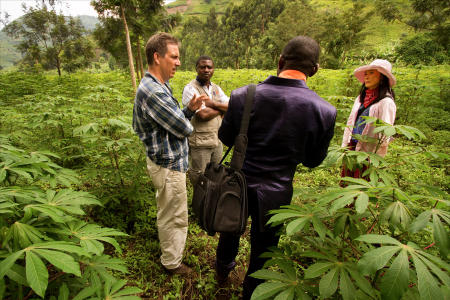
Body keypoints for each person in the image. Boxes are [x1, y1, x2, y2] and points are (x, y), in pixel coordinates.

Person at [211, 36, 337, 299]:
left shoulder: (242, 95)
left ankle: (223, 270)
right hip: (278, 190)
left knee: (230, 229)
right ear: (314, 70)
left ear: (280, 61)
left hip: (239, 184)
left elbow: (225, 138)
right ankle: (252, 292)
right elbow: (313, 161)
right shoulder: (324, 110)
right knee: (265, 247)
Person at [132, 32, 208, 275]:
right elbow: (184, 128)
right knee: (174, 215)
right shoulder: (154, 92)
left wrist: (187, 109)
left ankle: (170, 255)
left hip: (165, 161)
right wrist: (187, 117)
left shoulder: (159, 85)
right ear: (157, 57)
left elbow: (172, 123)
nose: (178, 62)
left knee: (168, 209)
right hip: (168, 165)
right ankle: (172, 263)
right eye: (174, 57)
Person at [341, 59, 397, 178]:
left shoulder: (386, 102)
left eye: (371, 73)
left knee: (362, 181)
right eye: (366, 73)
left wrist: (376, 156)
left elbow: (385, 133)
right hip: (353, 144)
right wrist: (345, 144)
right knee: (348, 181)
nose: (366, 76)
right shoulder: (361, 98)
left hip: (369, 152)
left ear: (382, 77)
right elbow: (351, 121)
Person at [182, 56, 229, 185]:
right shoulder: (190, 88)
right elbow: (202, 114)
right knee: (200, 178)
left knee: (215, 175)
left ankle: (211, 204)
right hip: (200, 143)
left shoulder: (216, 88)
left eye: (209, 67)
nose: (206, 70)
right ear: (196, 69)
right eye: (203, 67)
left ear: (213, 69)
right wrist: (221, 108)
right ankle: (199, 204)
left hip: (217, 140)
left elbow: (231, 105)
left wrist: (211, 103)